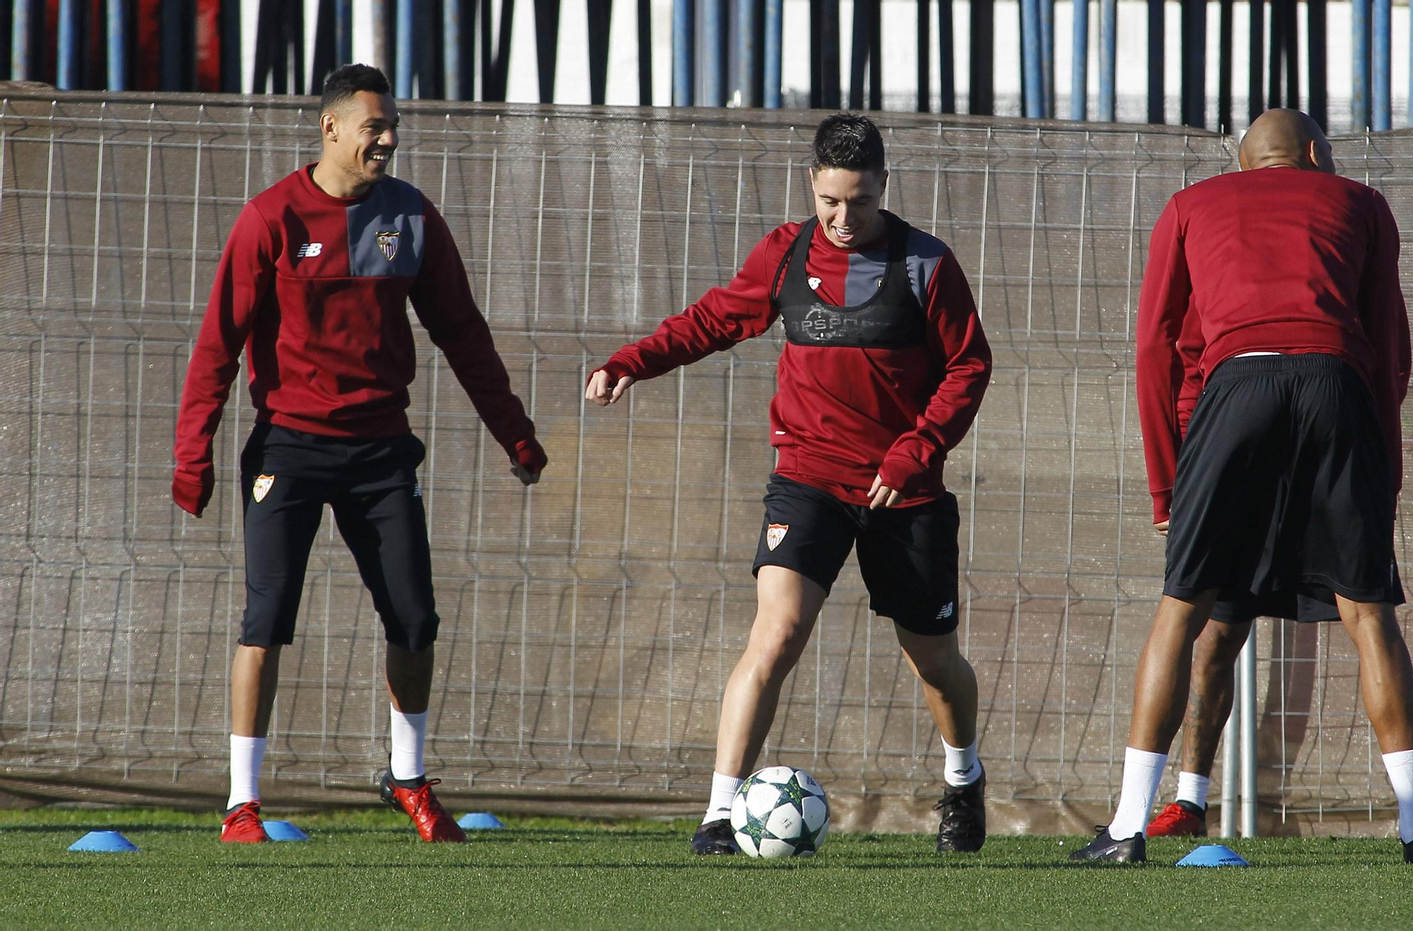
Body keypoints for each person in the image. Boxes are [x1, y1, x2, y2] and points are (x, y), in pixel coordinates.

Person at [585, 114, 993, 854]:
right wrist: (631, 361)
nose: (843, 218)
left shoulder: (926, 264)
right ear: (813, 182)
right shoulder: (785, 253)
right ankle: (718, 811)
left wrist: (915, 450)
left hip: (904, 492)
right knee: (775, 633)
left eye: (859, 202)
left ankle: (963, 780)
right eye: (831, 201)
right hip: (807, 477)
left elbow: (969, 367)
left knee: (932, 659)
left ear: (884, 187)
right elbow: (713, 319)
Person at [172, 64, 546, 844]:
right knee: (266, 616)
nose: (389, 138)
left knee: (415, 618)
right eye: (374, 125)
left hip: (381, 453)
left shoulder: (410, 217)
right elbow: (217, 345)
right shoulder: (269, 218)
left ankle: (408, 779)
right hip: (290, 446)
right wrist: (192, 454)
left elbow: (462, 333)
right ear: (331, 128)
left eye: (392, 124)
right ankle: (243, 803)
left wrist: (513, 431)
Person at [1070, 109, 1413, 865]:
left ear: (1246, 163)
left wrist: (1165, 485)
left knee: (1182, 606)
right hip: (1335, 381)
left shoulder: (1190, 204)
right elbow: (1389, 351)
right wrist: (1385, 475)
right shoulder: (1362, 202)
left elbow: (1154, 345)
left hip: (1234, 385)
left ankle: (1125, 828)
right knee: (1369, 611)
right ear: (1315, 152)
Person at [1142, 597, 1413, 841]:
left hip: (1331, 513)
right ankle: (1188, 804)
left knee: (1369, 616)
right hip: (1243, 514)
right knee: (1217, 629)